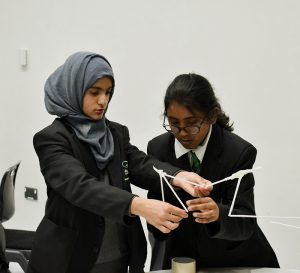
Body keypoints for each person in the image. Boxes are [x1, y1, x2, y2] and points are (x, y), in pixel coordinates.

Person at [27, 53, 211, 273]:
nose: (103, 100)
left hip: (118, 255)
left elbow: (140, 164)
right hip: (69, 259)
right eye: (94, 92)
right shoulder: (52, 138)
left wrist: (178, 176)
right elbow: (80, 186)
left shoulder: (114, 132)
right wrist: (139, 205)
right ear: (73, 89)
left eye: (108, 92)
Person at [147, 73, 280, 270]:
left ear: (212, 115)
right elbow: (156, 214)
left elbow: (245, 222)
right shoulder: (157, 148)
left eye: (191, 124)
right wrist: (158, 219)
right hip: (182, 258)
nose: (181, 133)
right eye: (174, 123)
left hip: (234, 258)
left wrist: (218, 213)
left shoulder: (238, 153)